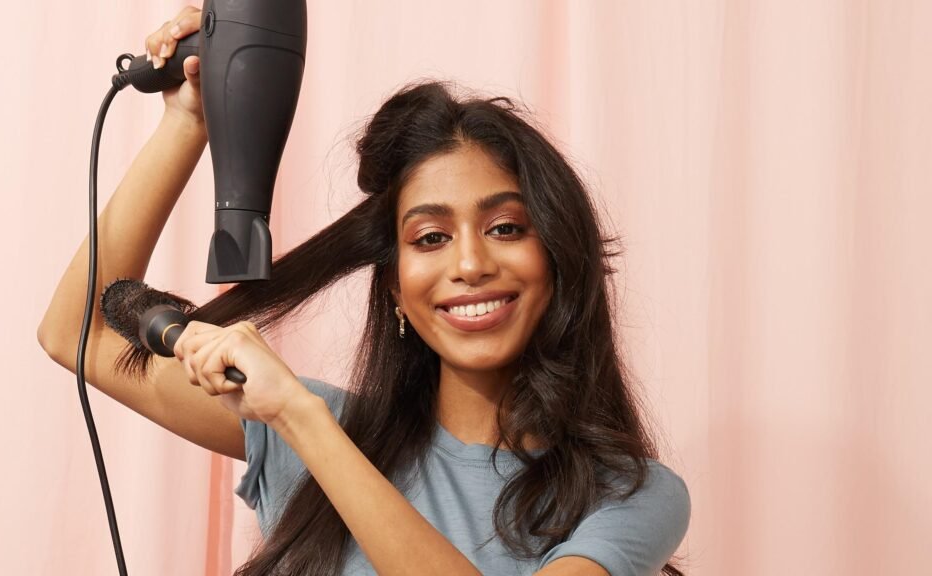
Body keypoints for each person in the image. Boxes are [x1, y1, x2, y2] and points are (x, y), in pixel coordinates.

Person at [38, 5, 691, 576]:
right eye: (430, 238)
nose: (468, 263)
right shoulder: (311, 424)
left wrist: (302, 419)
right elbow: (76, 333)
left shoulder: (632, 497)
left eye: (504, 227)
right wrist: (188, 122)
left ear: (557, 258)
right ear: (397, 292)